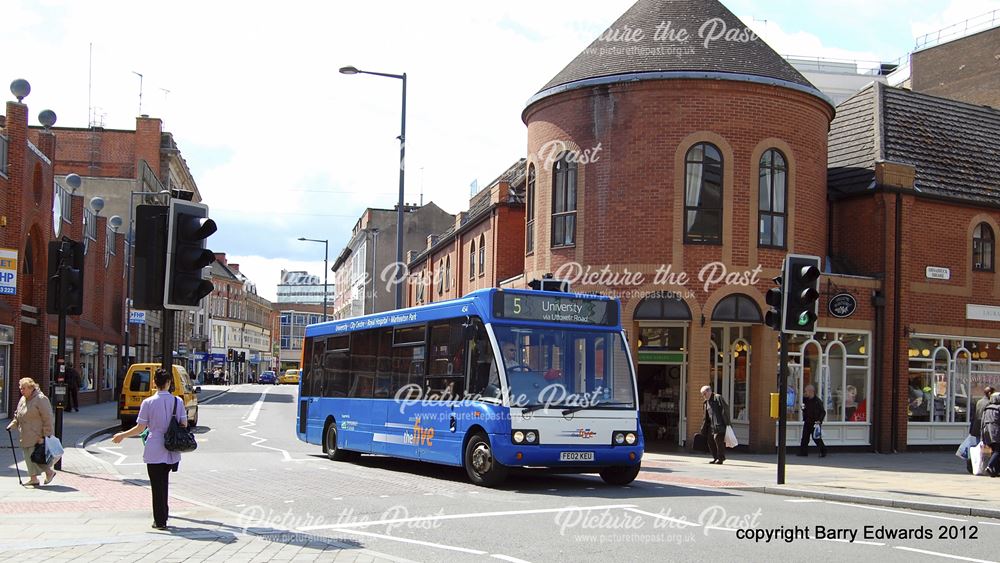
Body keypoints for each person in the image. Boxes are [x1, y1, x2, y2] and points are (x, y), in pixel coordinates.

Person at [112, 368, 188, 529]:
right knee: (164, 483)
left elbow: (140, 428)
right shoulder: (178, 402)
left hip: (154, 446)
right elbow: (184, 424)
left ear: (154, 383)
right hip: (171, 448)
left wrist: (122, 435)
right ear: (168, 383)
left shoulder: (148, 403)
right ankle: (164, 515)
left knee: (156, 485)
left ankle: (160, 520)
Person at [6, 378, 57, 486]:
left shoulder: (40, 399)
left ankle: (49, 472)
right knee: (28, 457)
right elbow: (17, 415)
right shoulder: (23, 399)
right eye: (20, 388)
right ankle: (33, 479)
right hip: (25, 434)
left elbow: (47, 418)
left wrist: (45, 436)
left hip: (37, 434)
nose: (21, 390)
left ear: (31, 388)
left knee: (36, 457)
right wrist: (13, 424)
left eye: (23, 388)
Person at [700, 385, 730, 464]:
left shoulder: (717, 398)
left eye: (704, 394)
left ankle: (721, 458)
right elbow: (705, 416)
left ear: (709, 391)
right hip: (710, 425)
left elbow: (725, 409)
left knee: (718, 440)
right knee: (710, 441)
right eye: (702, 394)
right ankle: (715, 457)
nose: (704, 396)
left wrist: (725, 422)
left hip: (719, 424)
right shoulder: (706, 402)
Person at [799, 384, 827, 457]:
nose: (805, 393)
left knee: (816, 438)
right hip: (807, 421)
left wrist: (819, 420)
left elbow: (823, 412)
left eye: (806, 391)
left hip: (815, 422)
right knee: (805, 437)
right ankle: (803, 452)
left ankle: (823, 451)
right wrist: (802, 406)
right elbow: (803, 407)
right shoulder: (805, 400)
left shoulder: (817, 401)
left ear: (811, 392)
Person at [981, 393, 1000, 477]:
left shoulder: (987, 408)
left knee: (994, 450)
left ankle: (994, 472)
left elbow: (982, 422)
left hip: (987, 432)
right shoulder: (999, 408)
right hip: (996, 431)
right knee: (998, 450)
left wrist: (982, 437)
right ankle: (990, 466)